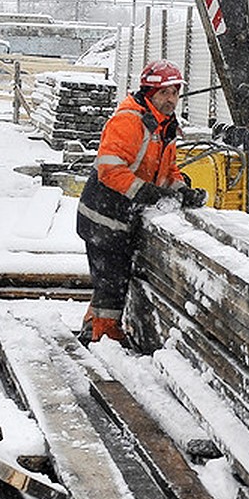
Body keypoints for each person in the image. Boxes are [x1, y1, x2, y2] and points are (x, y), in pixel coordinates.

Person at [75, 59, 206, 345]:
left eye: (175, 92)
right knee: (111, 280)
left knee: (110, 279)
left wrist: (182, 191)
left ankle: (92, 324)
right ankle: (104, 338)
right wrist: (145, 192)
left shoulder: (165, 126)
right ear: (148, 92)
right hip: (104, 215)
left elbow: (166, 172)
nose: (171, 99)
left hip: (123, 215)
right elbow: (109, 168)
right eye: (164, 93)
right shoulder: (129, 121)